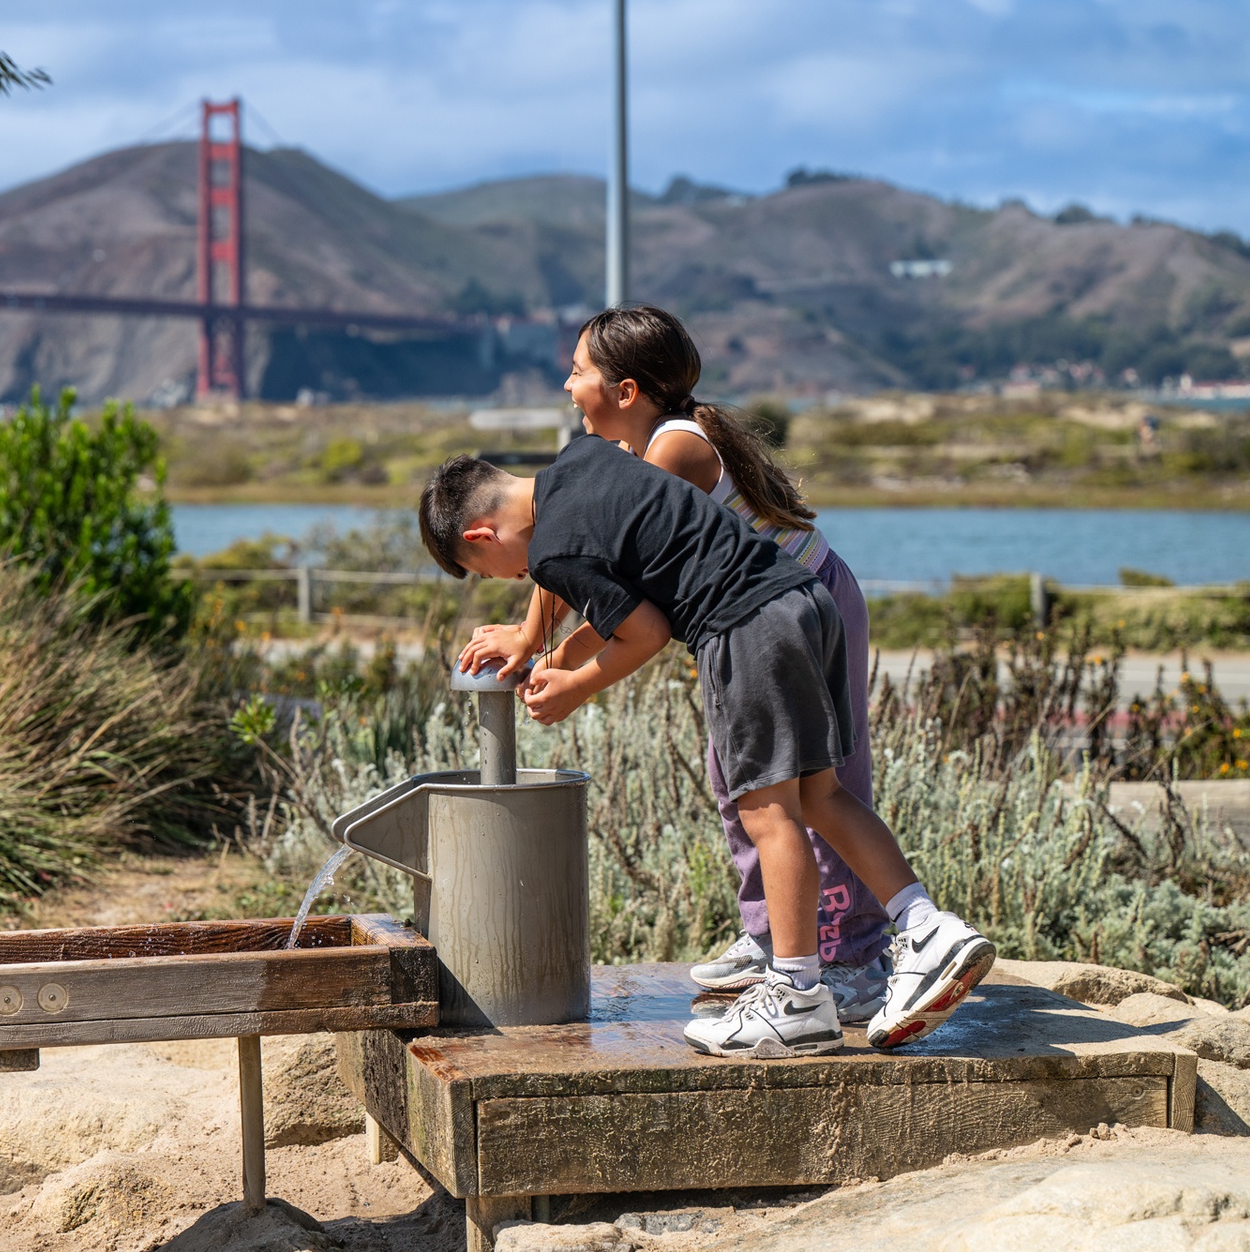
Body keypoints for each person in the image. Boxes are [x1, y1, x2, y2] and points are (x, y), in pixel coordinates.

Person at [419, 444, 994, 1056]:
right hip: (803, 600)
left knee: (768, 816)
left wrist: (572, 688)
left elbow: (646, 631)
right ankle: (926, 927)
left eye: (496, 572)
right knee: (823, 796)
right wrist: (539, 642)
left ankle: (797, 996)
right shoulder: (582, 460)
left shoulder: (554, 550)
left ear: (483, 533)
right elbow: (616, 584)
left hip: (742, 629)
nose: (520, 579)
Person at [459, 306, 891, 1024]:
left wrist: (564, 665)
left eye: (577, 371)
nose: (567, 386)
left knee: (823, 782)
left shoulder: (673, 451)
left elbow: (617, 582)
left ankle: (853, 958)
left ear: (626, 390)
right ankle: (774, 937)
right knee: (739, 781)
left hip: (802, 605)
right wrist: (529, 636)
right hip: (752, 624)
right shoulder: (629, 452)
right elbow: (572, 542)